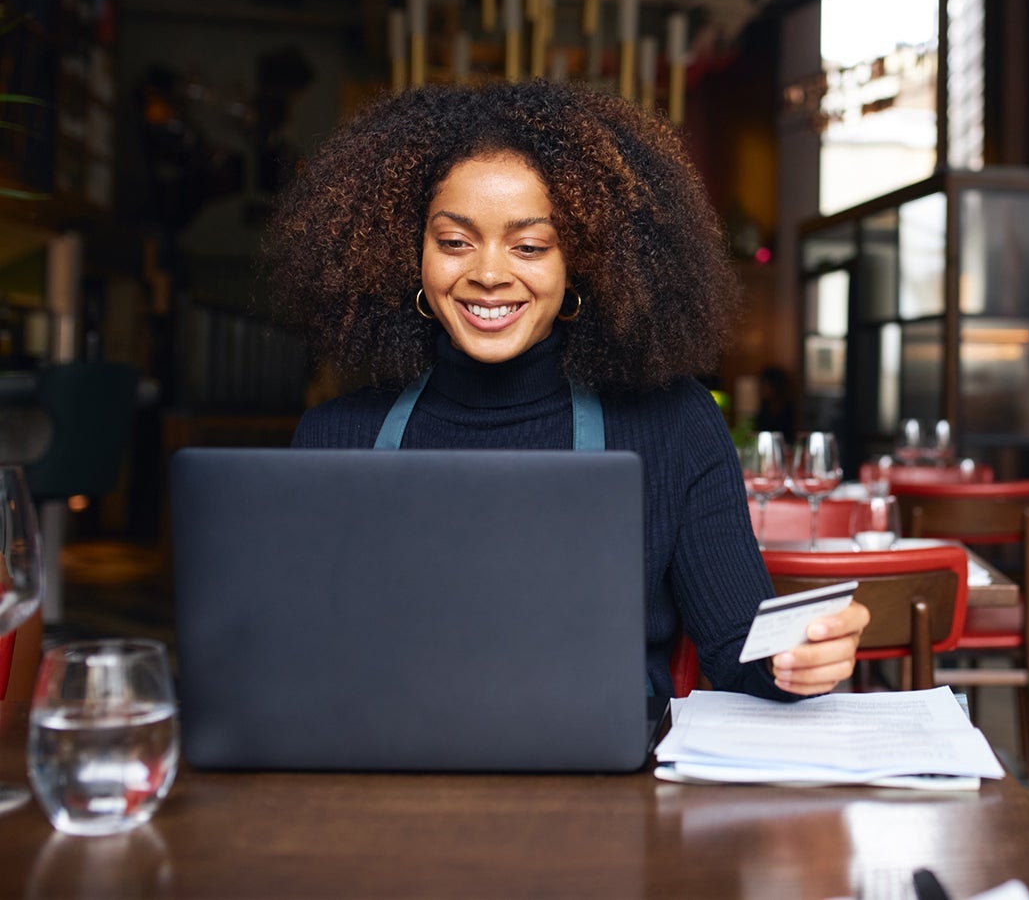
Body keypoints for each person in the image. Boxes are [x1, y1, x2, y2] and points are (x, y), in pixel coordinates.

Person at [265, 80, 868, 700]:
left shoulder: (673, 425)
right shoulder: (336, 435)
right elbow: (291, 656)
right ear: (407, 252)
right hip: (383, 772)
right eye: (453, 242)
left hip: (602, 784)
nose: (489, 274)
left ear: (582, 260)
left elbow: (741, 655)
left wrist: (798, 660)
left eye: (530, 246)